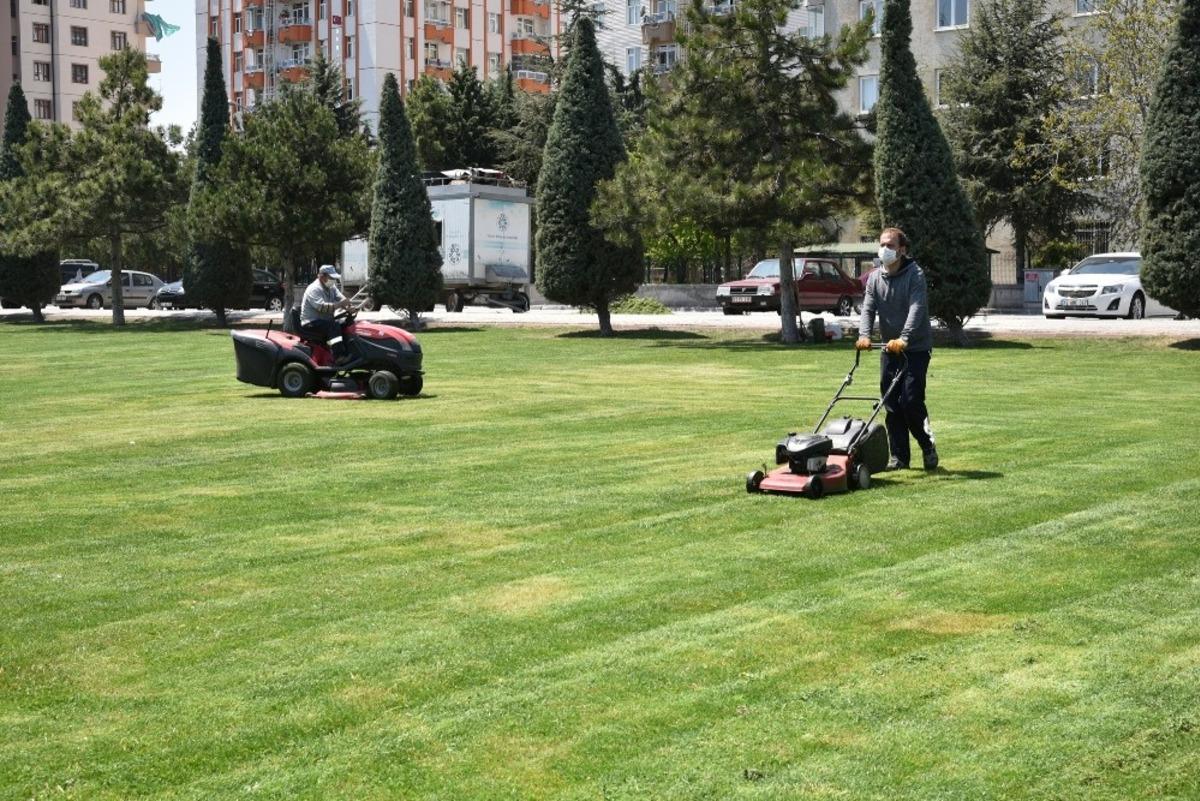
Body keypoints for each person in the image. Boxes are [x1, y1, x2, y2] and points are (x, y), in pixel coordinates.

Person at [855, 227, 939, 471]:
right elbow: (868, 308)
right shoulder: (874, 278)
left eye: (890, 245)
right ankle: (899, 458)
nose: (884, 249)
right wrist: (864, 335)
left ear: (902, 250)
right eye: (882, 244)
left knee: (911, 401)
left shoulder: (915, 275)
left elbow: (917, 308)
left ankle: (927, 445)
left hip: (915, 348)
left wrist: (904, 338)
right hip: (889, 348)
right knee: (891, 403)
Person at [300, 265, 356, 365]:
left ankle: (349, 351)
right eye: (331, 278)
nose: (333, 280)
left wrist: (348, 306)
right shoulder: (314, 289)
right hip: (311, 322)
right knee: (333, 326)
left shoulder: (331, 287)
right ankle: (339, 357)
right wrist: (341, 304)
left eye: (334, 278)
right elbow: (322, 307)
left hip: (324, 320)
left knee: (344, 323)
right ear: (322, 276)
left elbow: (340, 298)